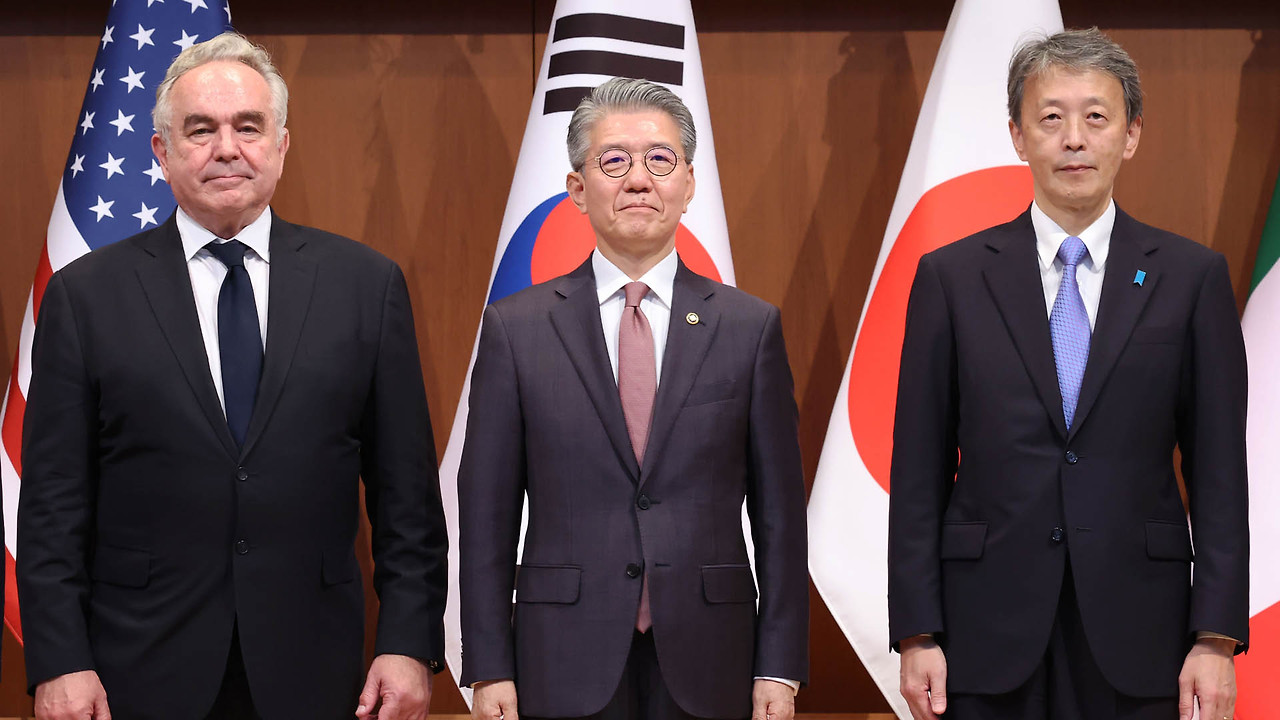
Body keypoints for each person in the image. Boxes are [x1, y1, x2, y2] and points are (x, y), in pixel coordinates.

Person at [18, 32, 447, 720]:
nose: (226, 148)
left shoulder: (366, 287)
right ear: (161, 151)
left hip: (315, 667)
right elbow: (51, 506)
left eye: (249, 127)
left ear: (281, 144)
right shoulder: (84, 296)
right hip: (137, 671)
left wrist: (407, 643)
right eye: (200, 130)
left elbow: (409, 501)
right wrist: (60, 659)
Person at [888, 28, 1248, 720]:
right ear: (1018, 137)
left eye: (1096, 117)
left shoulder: (1191, 278)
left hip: (1145, 629)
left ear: (1131, 135)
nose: (1074, 139)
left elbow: (1220, 474)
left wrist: (1216, 637)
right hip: (982, 626)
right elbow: (918, 470)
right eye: (1051, 118)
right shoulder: (952, 278)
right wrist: (916, 630)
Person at [459, 77, 809, 720]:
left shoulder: (749, 327)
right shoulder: (517, 328)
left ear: (689, 183)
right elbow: (487, 514)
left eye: (660, 159)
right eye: (614, 161)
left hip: (714, 656)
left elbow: (780, 516)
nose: (640, 180)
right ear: (577, 189)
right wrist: (487, 665)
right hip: (560, 656)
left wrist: (780, 665)